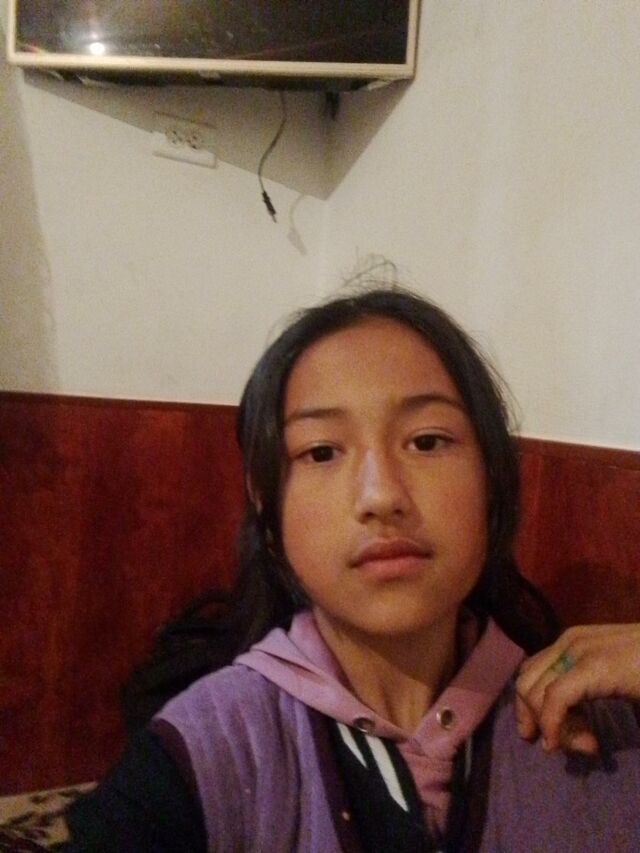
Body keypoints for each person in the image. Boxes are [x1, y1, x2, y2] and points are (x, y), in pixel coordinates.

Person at [63, 286, 640, 852]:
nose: (381, 495)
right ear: (267, 505)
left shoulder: (598, 727)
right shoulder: (206, 751)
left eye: (427, 441)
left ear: (492, 480)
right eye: (321, 452)